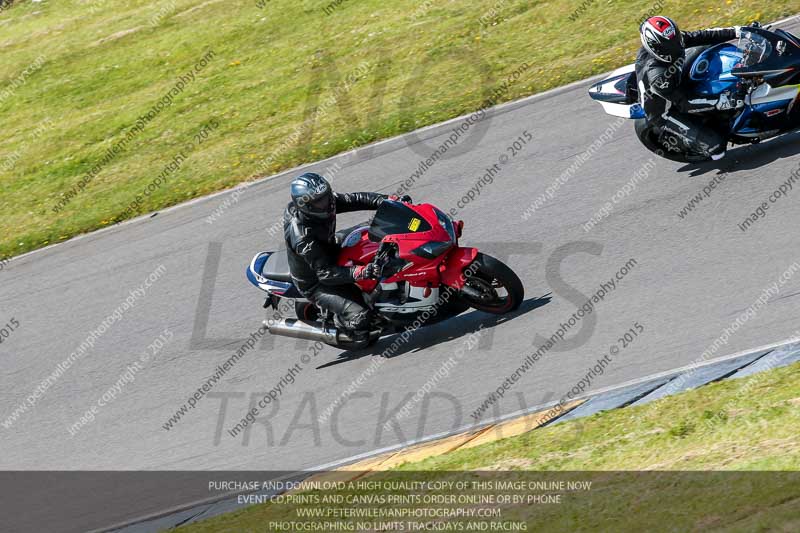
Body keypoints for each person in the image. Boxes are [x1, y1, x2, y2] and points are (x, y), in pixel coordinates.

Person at [283, 172, 410, 344]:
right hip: (317, 281)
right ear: (307, 206)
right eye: (320, 201)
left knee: (375, 232)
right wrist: (361, 271)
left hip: (332, 248)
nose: (327, 203)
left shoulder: (324, 202)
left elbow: (356, 199)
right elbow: (325, 273)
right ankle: (340, 323)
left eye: (326, 196)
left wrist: (391, 202)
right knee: (362, 317)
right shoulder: (302, 237)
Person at [636, 16, 743, 160]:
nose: (678, 45)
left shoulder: (671, 40)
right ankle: (698, 140)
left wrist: (737, 31)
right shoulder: (658, 76)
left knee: (707, 47)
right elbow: (686, 103)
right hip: (665, 110)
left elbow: (701, 36)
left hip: (675, 79)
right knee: (717, 149)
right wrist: (719, 101)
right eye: (671, 45)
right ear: (657, 48)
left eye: (677, 39)